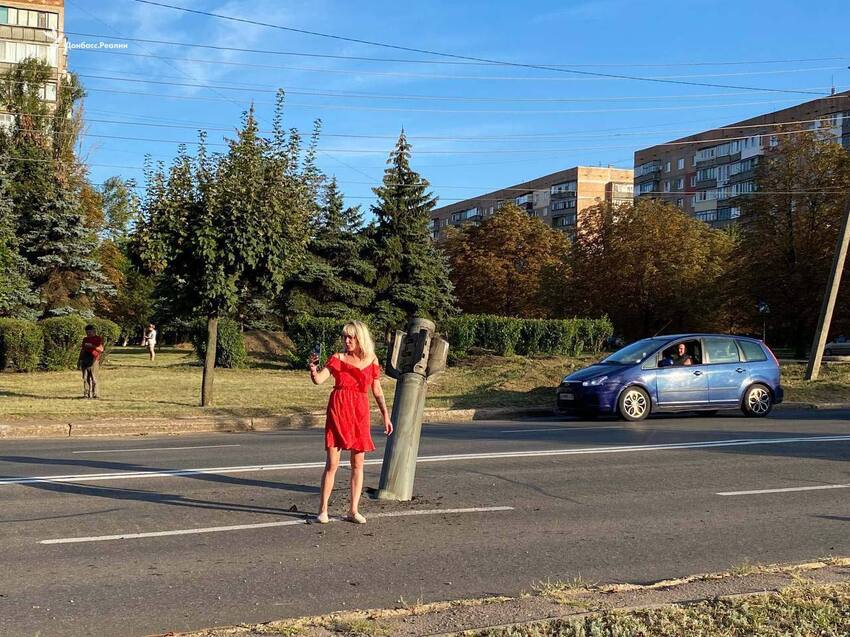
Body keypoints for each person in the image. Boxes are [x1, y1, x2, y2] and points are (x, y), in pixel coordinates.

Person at [308, 321, 393, 524]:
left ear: (360, 338)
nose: (346, 341)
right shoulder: (338, 358)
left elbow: (377, 390)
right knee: (332, 464)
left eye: (351, 337)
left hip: (359, 413)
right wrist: (313, 369)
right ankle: (323, 510)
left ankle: (353, 510)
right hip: (338, 410)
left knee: (358, 464)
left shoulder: (372, 360)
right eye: (344, 337)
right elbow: (319, 380)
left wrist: (386, 415)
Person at [78, 324, 104, 399]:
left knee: (94, 378)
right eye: (87, 332)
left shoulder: (98, 339)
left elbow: (101, 349)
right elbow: (82, 350)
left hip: (94, 360)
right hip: (85, 359)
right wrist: (79, 360)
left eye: (89, 332)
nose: (88, 334)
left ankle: (95, 394)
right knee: (85, 378)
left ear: (94, 331)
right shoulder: (85, 339)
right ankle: (86, 394)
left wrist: (92, 346)